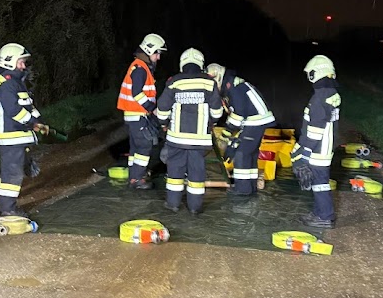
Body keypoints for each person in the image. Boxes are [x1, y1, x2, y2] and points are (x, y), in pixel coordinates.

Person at [156, 48, 223, 214]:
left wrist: (164, 123)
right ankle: (195, 207)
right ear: (201, 64)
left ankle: (173, 204)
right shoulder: (209, 83)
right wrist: (212, 122)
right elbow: (217, 111)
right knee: (197, 174)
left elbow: (162, 108)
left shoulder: (174, 81)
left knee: (175, 172)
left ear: (182, 64)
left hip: (176, 139)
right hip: (199, 141)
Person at [0, 42, 49, 217]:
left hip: (19, 136)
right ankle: (8, 210)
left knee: (15, 172)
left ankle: (7, 205)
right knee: (12, 175)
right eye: (21, 62)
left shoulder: (16, 82)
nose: (24, 66)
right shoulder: (6, 83)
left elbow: (28, 106)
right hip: (11, 137)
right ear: (10, 61)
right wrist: (33, 123)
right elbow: (14, 110)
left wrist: (39, 121)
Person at [206, 63, 275, 196]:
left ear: (217, 77)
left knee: (241, 154)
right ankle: (251, 187)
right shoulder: (230, 85)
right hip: (255, 121)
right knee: (250, 154)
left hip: (255, 120)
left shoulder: (233, 87)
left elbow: (238, 114)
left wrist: (226, 135)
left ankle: (242, 189)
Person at [291, 54, 341, 228]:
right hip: (325, 146)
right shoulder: (331, 92)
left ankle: (325, 217)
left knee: (320, 183)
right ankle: (320, 213)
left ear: (316, 73)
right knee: (320, 182)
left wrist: (304, 153)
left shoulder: (320, 97)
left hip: (318, 149)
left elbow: (314, 130)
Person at [116, 33, 167, 189]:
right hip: (138, 115)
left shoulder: (139, 66)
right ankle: (138, 179)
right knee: (144, 146)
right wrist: (152, 109)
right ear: (149, 50)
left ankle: (134, 176)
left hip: (133, 116)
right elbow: (137, 93)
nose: (158, 57)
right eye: (157, 53)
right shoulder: (140, 69)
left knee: (135, 148)